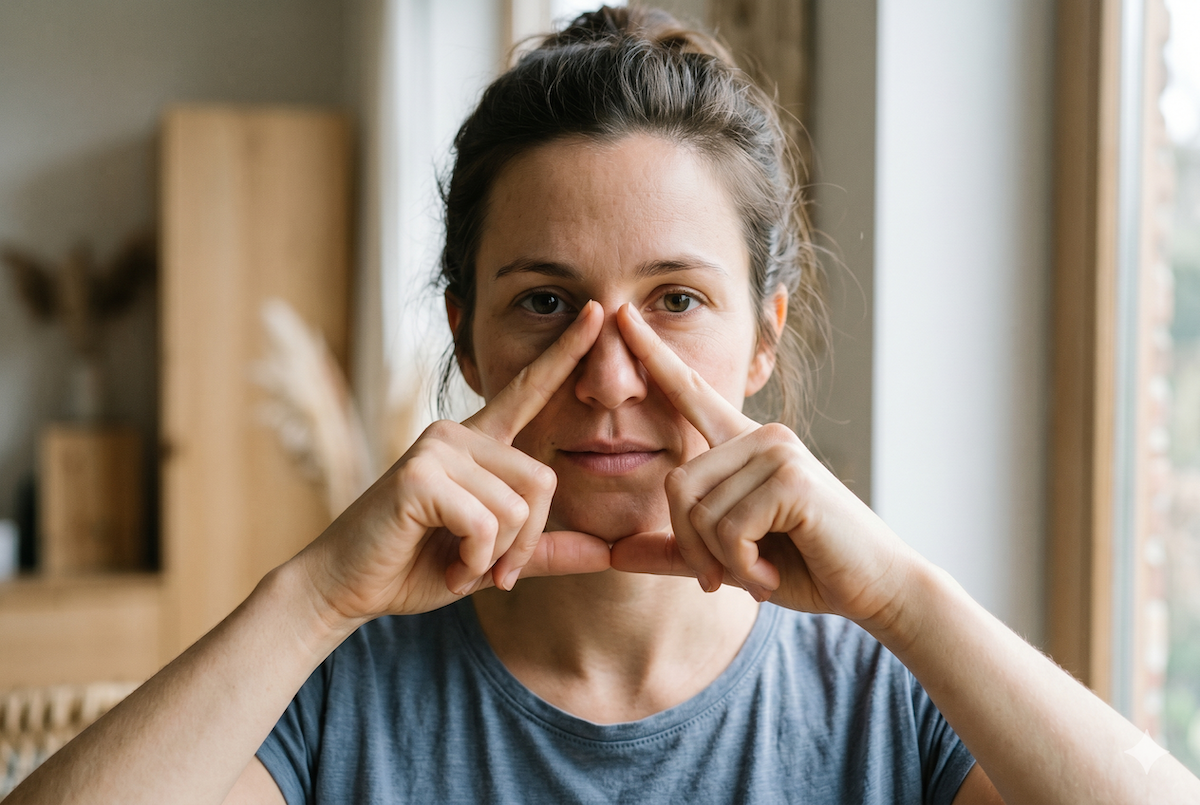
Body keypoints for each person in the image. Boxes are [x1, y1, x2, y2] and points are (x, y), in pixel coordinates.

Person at [11, 6, 1200, 804]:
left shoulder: (892, 702)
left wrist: (899, 592)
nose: (613, 376)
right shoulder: (334, 702)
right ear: (467, 337)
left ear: (763, 342)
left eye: (675, 300)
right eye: (546, 304)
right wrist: (314, 594)